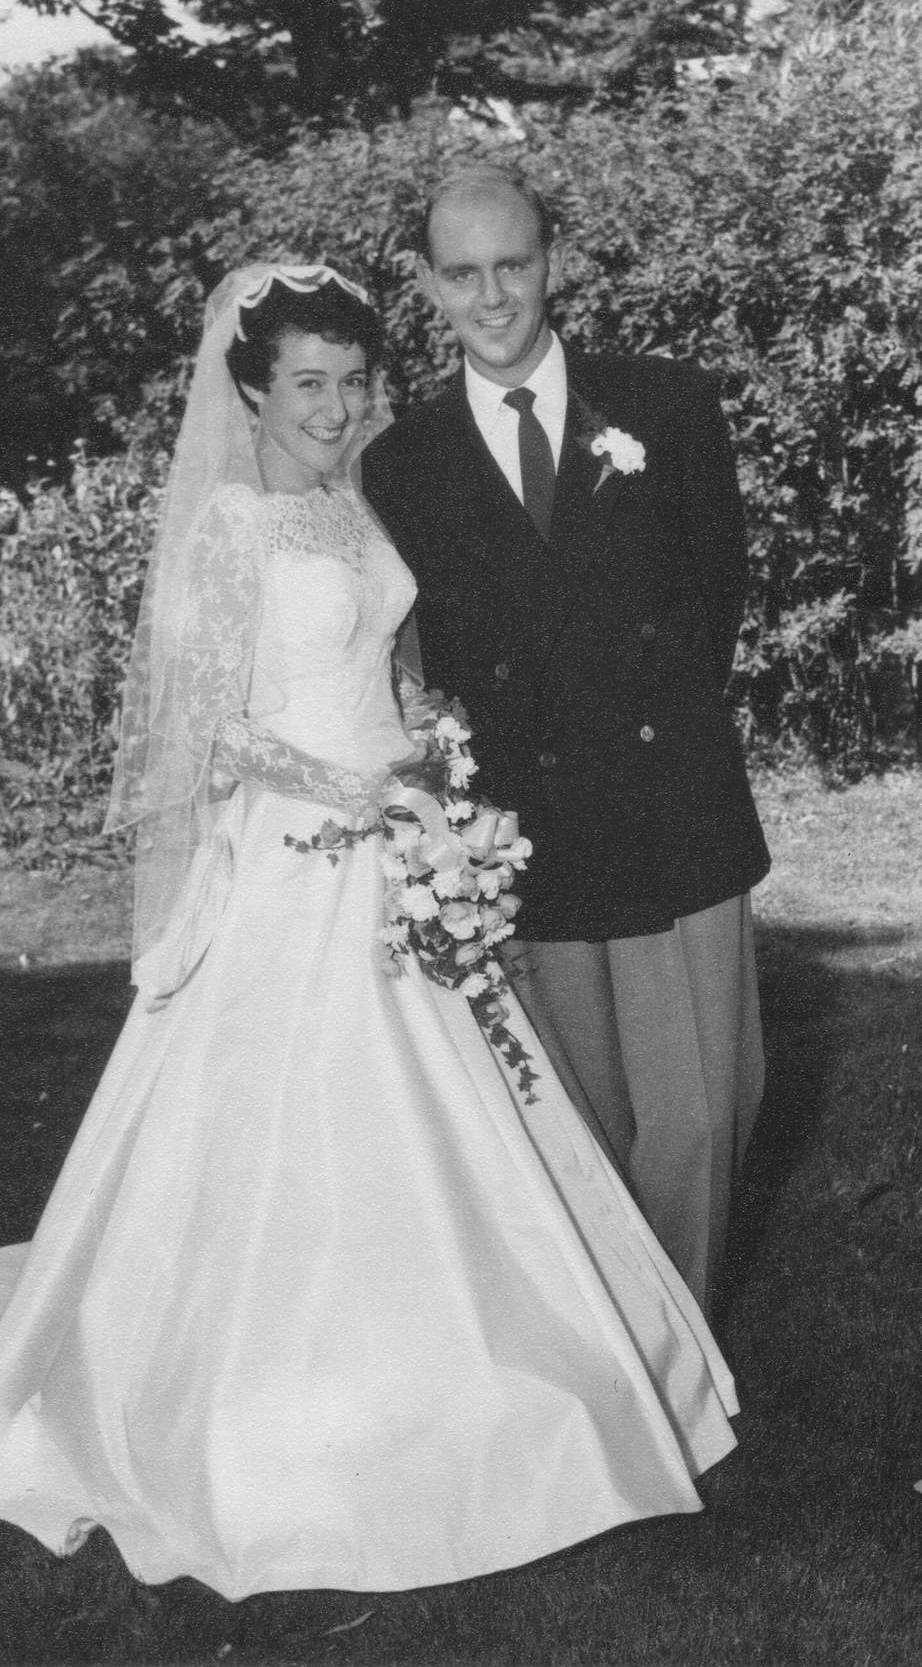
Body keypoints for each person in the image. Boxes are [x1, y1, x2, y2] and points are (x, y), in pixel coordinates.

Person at [0, 262, 738, 1601]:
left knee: (473, 1114)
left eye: (352, 382)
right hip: (302, 855)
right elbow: (212, 725)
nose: (337, 407)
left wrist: (430, 766)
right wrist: (360, 790)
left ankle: (509, 1361)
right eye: (308, 385)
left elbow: (388, 664)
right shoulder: (231, 527)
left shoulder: (352, 508)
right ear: (251, 391)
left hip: (404, 844)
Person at [363, 165, 771, 1317]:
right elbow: (429, 658)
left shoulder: (668, 404)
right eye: (463, 274)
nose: (493, 297)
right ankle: (619, 1347)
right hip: (530, 836)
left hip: (671, 804)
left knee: (702, 1111)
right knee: (583, 1114)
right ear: (428, 284)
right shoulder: (403, 460)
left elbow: (715, 599)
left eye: (514, 264)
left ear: (556, 259)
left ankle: (680, 1342)